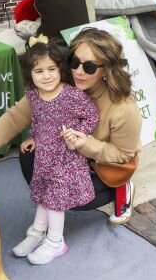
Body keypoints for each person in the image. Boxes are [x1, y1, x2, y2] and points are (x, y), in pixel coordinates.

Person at [0, 28, 142, 225]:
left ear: (106, 68)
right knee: (30, 157)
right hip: (67, 157)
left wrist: (86, 144)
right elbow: (16, 117)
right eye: (74, 62)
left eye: (89, 67)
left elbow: (124, 154)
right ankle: (46, 219)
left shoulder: (123, 108)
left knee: (74, 199)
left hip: (102, 165)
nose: (79, 71)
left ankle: (122, 188)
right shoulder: (58, 83)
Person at [11, 36, 99, 265]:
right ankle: (37, 232)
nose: (47, 76)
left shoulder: (71, 95)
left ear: (60, 69)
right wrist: (34, 138)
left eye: (52, 69)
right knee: (43, 194)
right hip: (45, 157)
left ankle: (55, 241)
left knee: (54, 199)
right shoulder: (33, 96)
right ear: (30, 74)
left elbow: (91, 115)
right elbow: (39, 120)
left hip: (65, 158)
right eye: (39, 71)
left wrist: (78, 134)